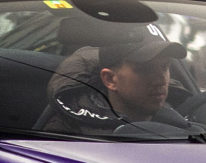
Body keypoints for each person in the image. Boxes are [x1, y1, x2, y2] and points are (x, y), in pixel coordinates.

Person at [40, 25, 188, 134]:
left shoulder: (184, 117)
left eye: (165, 67)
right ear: (110, 79)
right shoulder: (66, 137)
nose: (161, 80)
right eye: (145, 69)